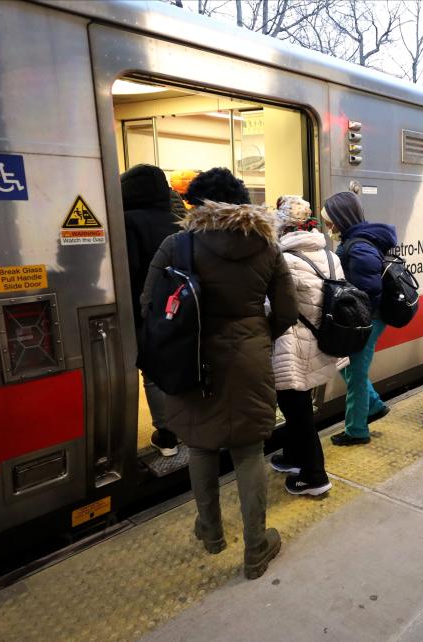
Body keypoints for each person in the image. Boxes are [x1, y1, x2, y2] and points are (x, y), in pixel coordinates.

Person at [142, 167, 298, 579]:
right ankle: (256, 548)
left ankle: (211, 533)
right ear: (241, 201)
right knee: (248, 452)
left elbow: (149, 305)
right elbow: (287, 311)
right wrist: (256, 335)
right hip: (249, 360)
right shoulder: (266, 247)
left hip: (192, 359)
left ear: (195, 203)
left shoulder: (177, 245)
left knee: (201, 446)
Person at [268, 196, 343, 496]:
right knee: (298, 406)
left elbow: (271, 308)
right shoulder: (329, 255)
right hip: (320, 341)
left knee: (295, 409)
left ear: (283, 227)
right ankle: (294, 457)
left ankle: (314, 475)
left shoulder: (283, 261)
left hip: (292, 346)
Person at [321, 191, 397, 446]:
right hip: (366, 317)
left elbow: (369, 290)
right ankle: (373, 405)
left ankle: (356, 431)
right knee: (350, 369)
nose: (328, 226)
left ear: (341, 218)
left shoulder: (360, 245)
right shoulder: (356, 239)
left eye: (330, 221)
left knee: (354, 373)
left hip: (367, 319)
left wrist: (357, 322)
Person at [121, 164, 182, 457]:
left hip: (148, 308)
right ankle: (187, 423)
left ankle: (167, 435)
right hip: (183, 305)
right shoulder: (178, 219)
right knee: (179, 363)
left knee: (153, 372)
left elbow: (129, 270)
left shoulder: (128, 221)